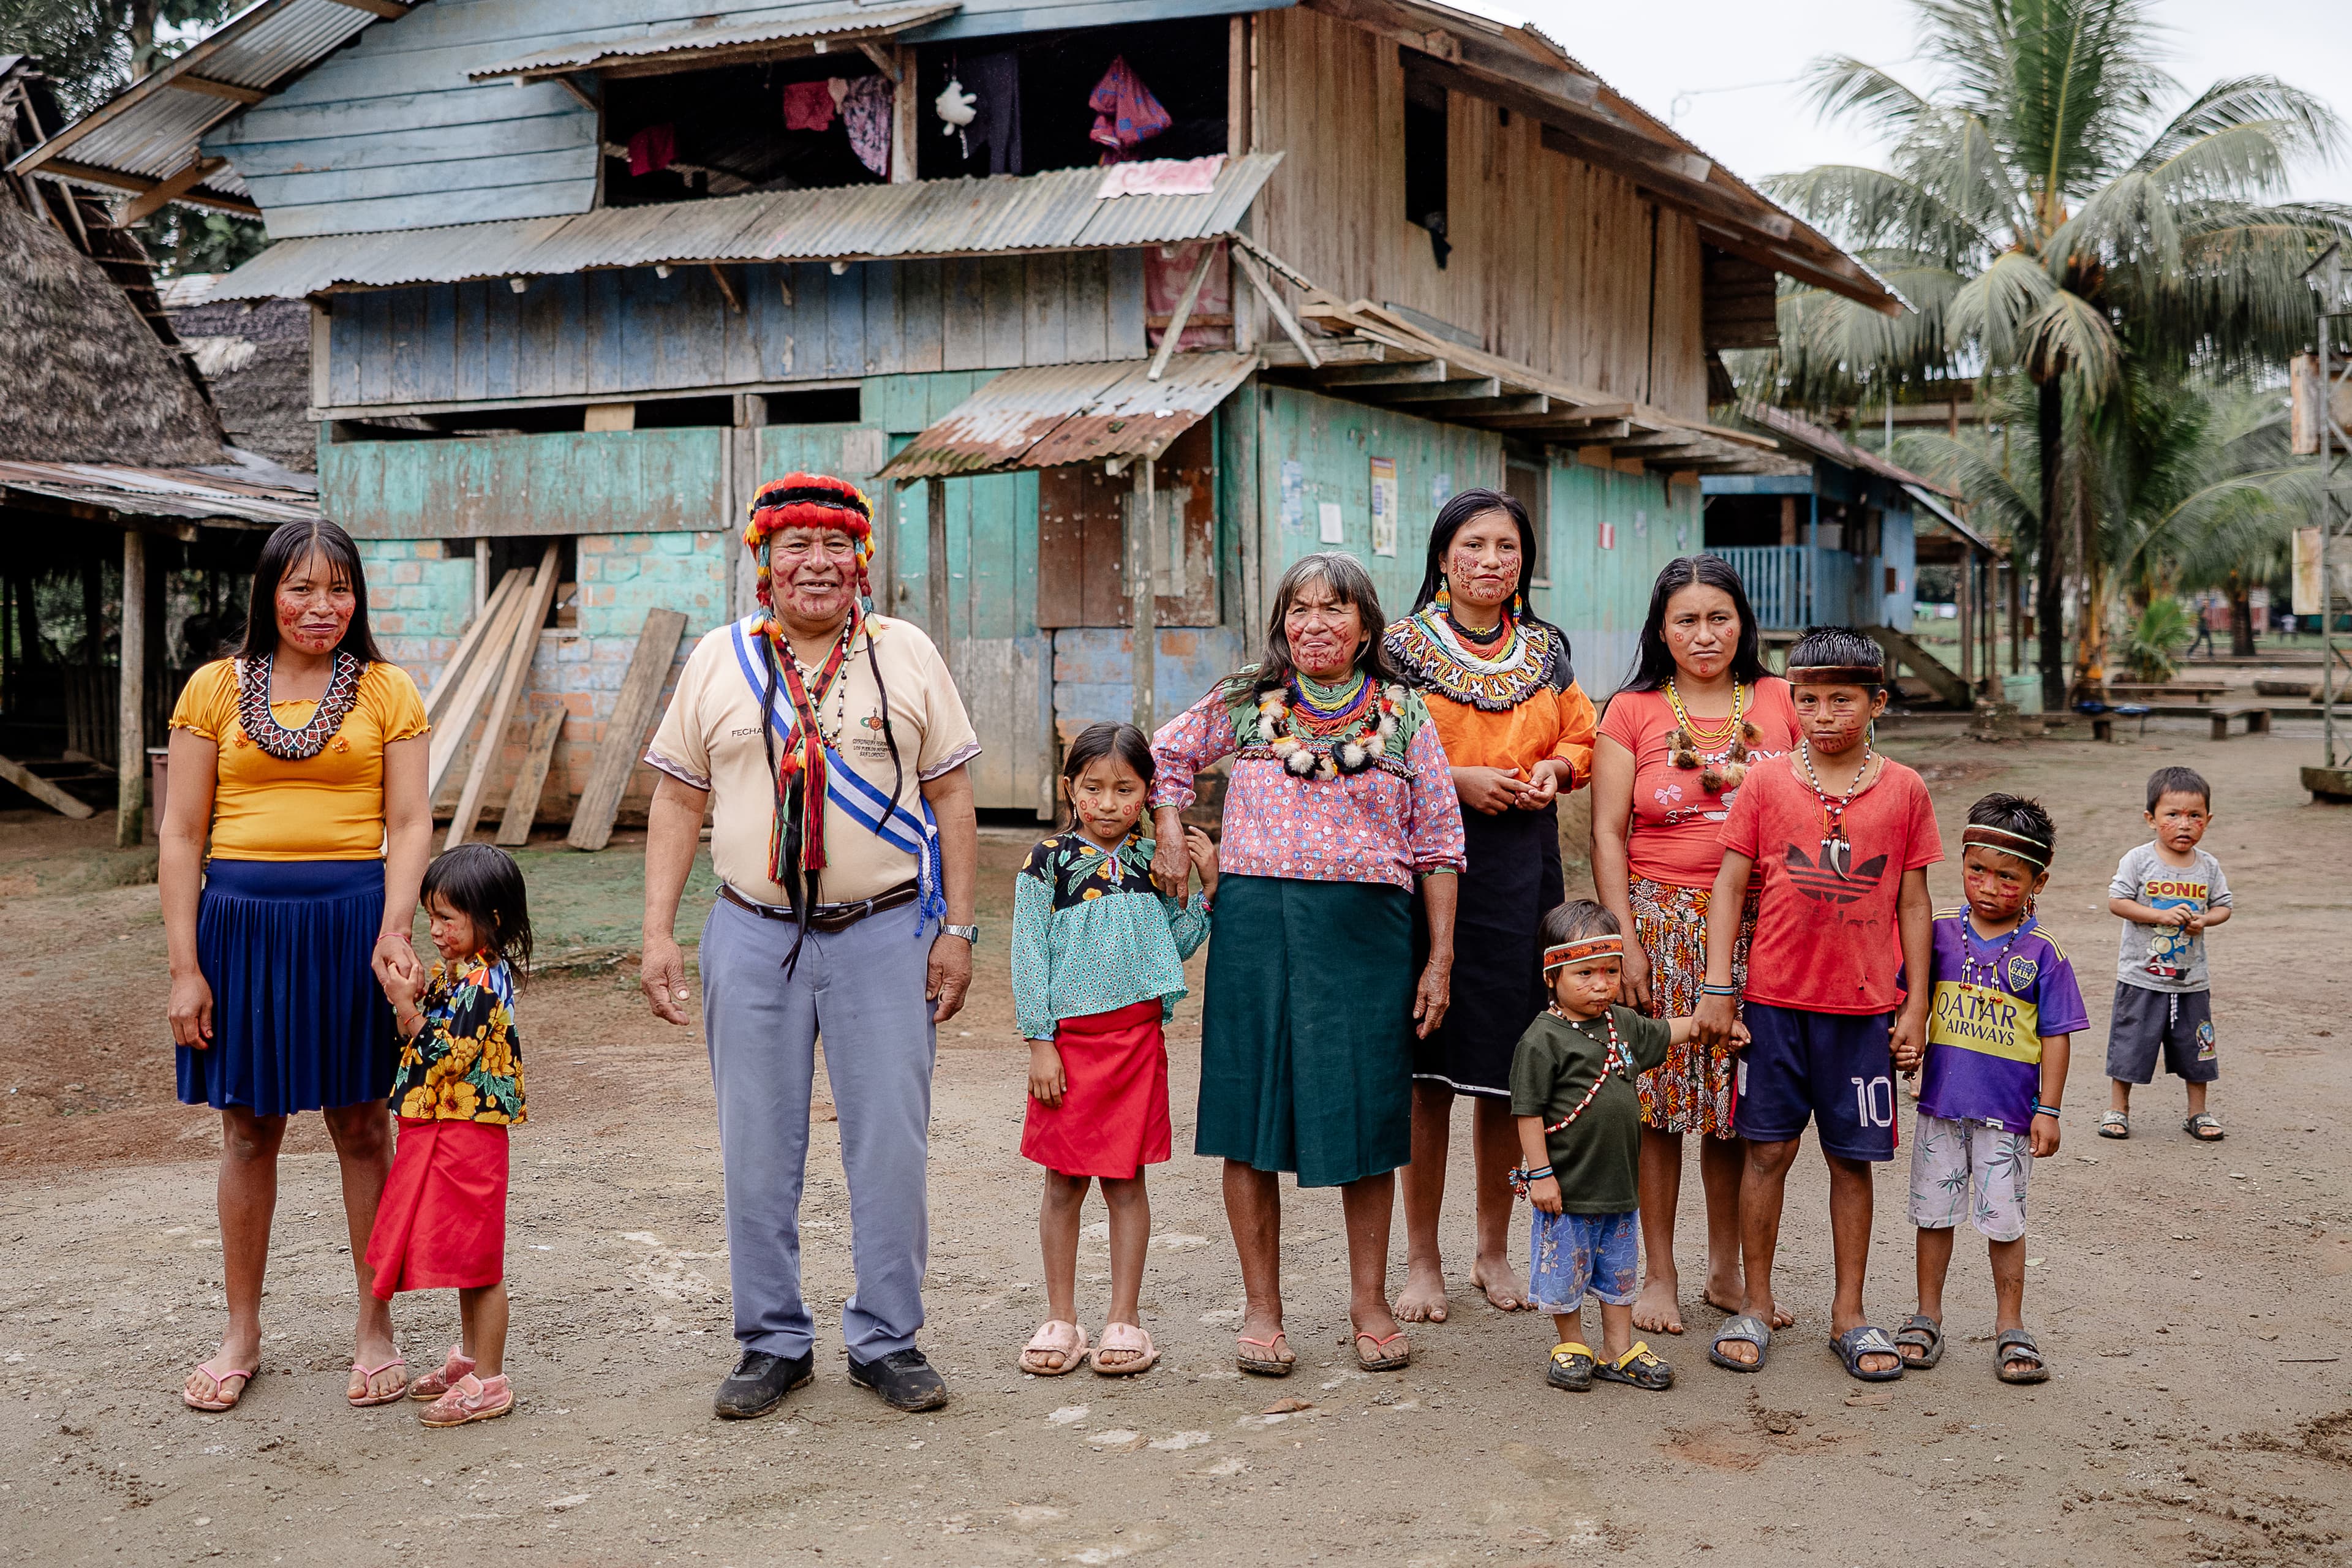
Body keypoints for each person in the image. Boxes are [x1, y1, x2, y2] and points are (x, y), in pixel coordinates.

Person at [639, 472, 981, 1419]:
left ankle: (887, 1338)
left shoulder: (905, 652)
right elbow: (678, 797)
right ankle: (773, 1342)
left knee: (890, 1146)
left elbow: (953, 796)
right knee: (756, 1145)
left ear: (861, 559)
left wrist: (957, 930)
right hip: (750, 935)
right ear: (765, 560)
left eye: (837, 545)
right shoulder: (720, 659)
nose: (817, 563)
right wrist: (658, 931)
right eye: (796, 545)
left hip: (888, 934)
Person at [1150, 552, 1466, 1376]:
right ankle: (1263, 1310)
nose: (1315, 624)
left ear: (1365, 626)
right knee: (1247, 1114)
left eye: (1334, 609)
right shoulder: (1249, 699)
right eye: (1299, 608)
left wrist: (1439, 956)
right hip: (1256, 927)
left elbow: (1439, 842)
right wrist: (1171, 832)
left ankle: (1368, 1303)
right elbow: (1166, 756)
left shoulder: (1404, 712)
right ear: (1281, 622)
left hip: (1369, 935)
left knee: (1368, 1115)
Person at [161, 518, 431, 1414]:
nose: (322, 606)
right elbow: (180, 834)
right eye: (302, 588)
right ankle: (241, 1331)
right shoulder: (213, 688)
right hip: (239, 930)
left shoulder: (388, 689)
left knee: (363, 1126)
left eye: (339, 588)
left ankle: (375, 1325)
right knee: (248, 1129)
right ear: (267, 593)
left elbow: (411, 824)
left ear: (358, 599)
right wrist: (185, 968)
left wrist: (396, 929)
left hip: (353, 926)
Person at [1694, 627, 1940, 1382]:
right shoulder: (1766, 783)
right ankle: (1755, 1304)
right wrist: (1718, 986)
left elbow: (1914, 902)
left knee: (1851, 1160)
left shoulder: (1904, 789)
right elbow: (1730, 886)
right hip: (1773, 1005)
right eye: (1808, 700)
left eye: (1842, 700)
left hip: (1862, 1012)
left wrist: (1915, 1006)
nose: (1823, 715)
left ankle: (1849, 1314)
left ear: (1878, 703)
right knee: (1766, 1151)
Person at [1381, 488, 1596, 1320]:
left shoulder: (1545, 649)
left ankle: (1491, 1250)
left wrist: (1556, 770)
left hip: (1520, 870)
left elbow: (1581, 733)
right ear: (1442, 557)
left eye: (1507, 547)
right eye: (1473, 544)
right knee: (1428, 1069)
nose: (1491, 561)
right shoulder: (1398, 649)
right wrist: (1454, 779)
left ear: (1523, 563)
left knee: (1510, 1069)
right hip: (1425, 866)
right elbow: (1374, 742)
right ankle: (1422, 1259)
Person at [1590, 556, 1800, 1337]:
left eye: (1719, 617)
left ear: (1743, 623)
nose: (1704, 634)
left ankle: (1724, 1269)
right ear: (1662, 628)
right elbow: (1607, 835)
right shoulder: (1631, 709)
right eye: (1687, 620)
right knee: (1657, 1107)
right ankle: (1660, 1274)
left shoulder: (1783, 700)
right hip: (1661, 924)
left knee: (1734, 1106)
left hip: (1766, 927)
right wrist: (1625, 941)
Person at [1012, 723, 1217, 1378]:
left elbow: (1173, 947)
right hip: (1068, 1050)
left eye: (1125, 789)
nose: (1107, 803)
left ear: (1148, 793)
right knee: (1063, 1182)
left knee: (1127, 1182)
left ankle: (1124, 1317)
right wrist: (1041, 1043)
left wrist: (1208, 889)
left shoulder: (1155, 863)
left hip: (1136, 1047)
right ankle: (1061, 1318)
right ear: (1069, 787)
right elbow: (1028, 956)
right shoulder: (1047, 862)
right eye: (1093, 787)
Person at [1897, 794, 2084, 1385]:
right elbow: (1909, 1003)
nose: (1989, 886)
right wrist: (1902, 1045)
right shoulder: (1938, 934)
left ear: (2037, 882)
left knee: (2004, 1223)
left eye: (2008, 877)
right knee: (1934, 1216)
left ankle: (2010, 1325)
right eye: (1977, 869)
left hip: (2009, 1118)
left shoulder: (2045, 953)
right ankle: (1927, 1316)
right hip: (1941, 1109)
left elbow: (2056, 1036)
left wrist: (2049, 1109)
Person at [1511, 901, 1714, 1396]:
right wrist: (1541, 1175)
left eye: (1610, 971)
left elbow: (1670, 1031)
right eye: (1585, 974)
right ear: (1552, 976)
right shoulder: (1541, 1040)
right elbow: (1528, 1113)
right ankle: (1572, 1345)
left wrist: (1714, 1023)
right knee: (1566, 1271)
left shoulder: (1623, 1023)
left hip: (1620, 1187)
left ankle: (1617, 1349)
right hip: (1566, 1190)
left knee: (1619, 1273)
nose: (1601, 984)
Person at [368, 843, 533, 1426]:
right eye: (430, 917)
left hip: (470, 1135)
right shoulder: (461, 974)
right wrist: (414, 1002)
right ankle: (470, 1361)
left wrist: (405, 1006)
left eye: (447, 918)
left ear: (491, 918)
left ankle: (490, 1382)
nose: (435, 931)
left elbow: (448, 1057)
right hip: (450, 1128)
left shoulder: (484, 982)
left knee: (481, 1263)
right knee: (465, 1255)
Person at [2099, 766, 2232, 1142]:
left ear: (2208, 820)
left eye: (2195, 816)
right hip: (2141, 976)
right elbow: (2117, 901)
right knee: (2131, 1042)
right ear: (2151, 819)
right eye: (2172, 814)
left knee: (2198, 1047)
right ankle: (2118, 1108)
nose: (2184, 825)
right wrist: (2158, 915)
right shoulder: (2139, 860)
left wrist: (2205, 920)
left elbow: (2224, 906)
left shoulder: (2208, 866)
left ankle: (2198, 1112)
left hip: (2192, 980)